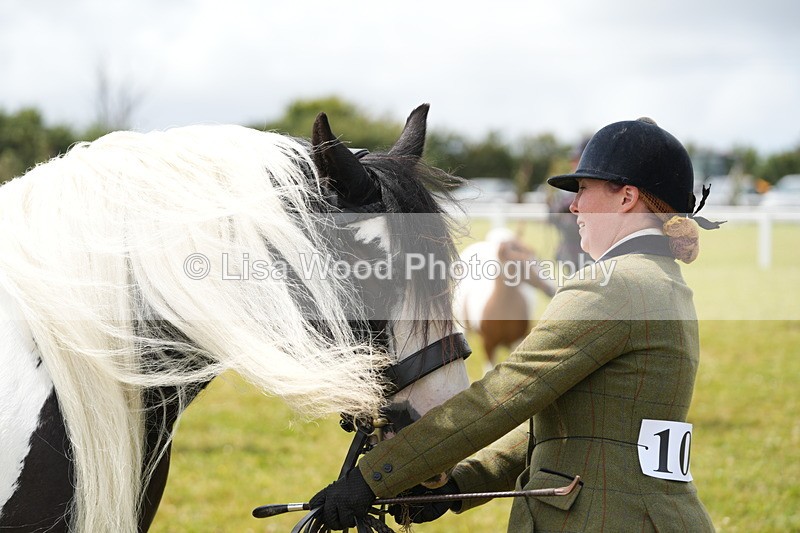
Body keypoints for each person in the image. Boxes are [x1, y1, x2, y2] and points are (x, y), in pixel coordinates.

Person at [310, 118, 720, 532]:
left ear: (627, 197)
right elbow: (574, 431)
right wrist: (454, 484)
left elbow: (506, 395)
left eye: (583, 191)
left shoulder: (614, 285)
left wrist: (372, 477)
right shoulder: (662, 282)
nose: (574, 207)